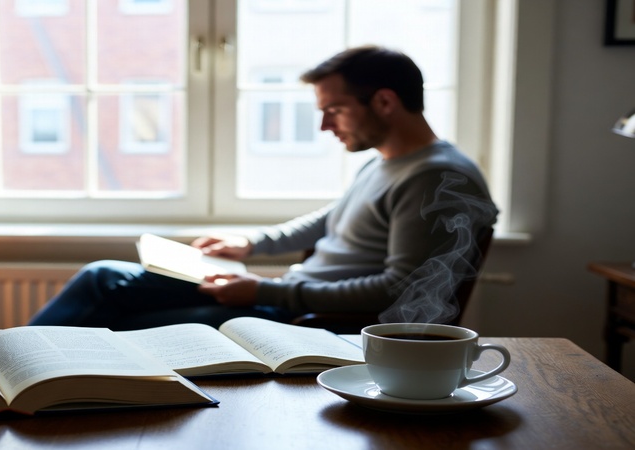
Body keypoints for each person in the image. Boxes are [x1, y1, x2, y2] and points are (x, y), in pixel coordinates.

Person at [28, 45, 497, 330]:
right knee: (102, 276)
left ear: (385, 101)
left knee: (122, 323)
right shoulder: (390, 163)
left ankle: (15, 385)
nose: (323, 125)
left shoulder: (437, 178)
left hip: (304, 322)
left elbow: (398, 292)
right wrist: (251, 243)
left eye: (333, 110)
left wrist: (264, 292)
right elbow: (332, 221)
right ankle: (9, 367)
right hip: (285, 299)